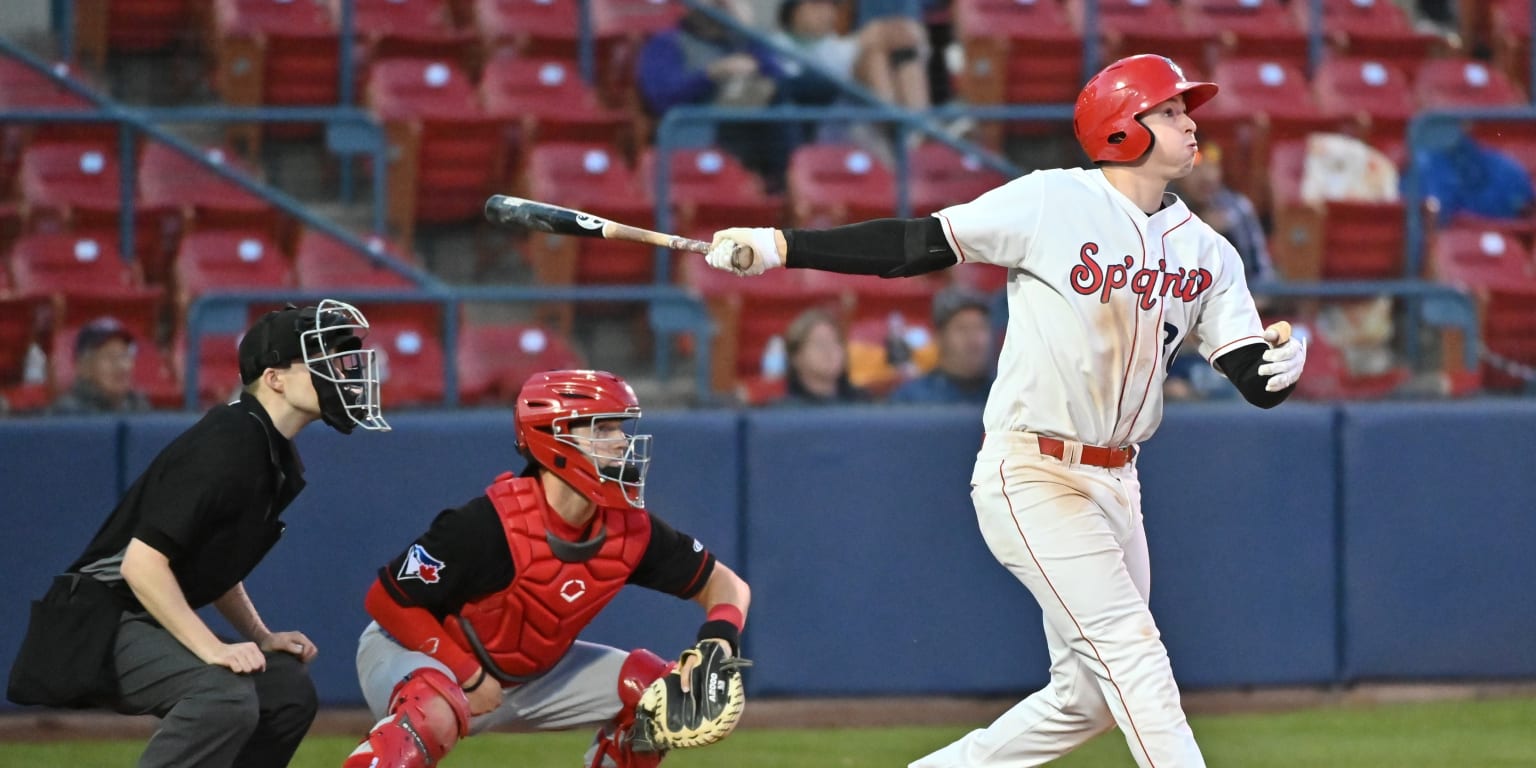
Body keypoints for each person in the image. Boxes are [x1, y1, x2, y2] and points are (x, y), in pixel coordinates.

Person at [702, 54, 1308, 767]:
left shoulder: (1209, 251)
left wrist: (1283, 364)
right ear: (1122, 128)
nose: (1189, 121)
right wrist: (782, 246)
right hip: (1035, 469)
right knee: (1132, 653)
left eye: (1186, 108)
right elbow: (917, 244)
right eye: (1170, 110)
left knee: (1086, 699)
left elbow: (1254, 378)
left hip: (1118, 481)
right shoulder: (1052, 200)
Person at [9, 300, 389, 766]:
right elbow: (142, 564)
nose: (341, 370)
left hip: (141, 611)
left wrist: (259, 634)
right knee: (223, 696)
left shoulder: (270, 451)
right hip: (97, 617)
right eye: (322, 359)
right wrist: (213, 647)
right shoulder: (231, 440)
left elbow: (215, 563)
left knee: (284, 690)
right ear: (274, 378)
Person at [342, 369, 752, 768]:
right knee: (431, 708)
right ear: (552, 439)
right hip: (416, 655)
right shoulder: (486, 524)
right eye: (602, 430)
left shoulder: (630, 529)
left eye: (619, 429)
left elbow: (726, 584)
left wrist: (718, 641)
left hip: (526, 676)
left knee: (656, 695)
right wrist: (466, 673)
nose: (621, 443)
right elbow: (387, 600)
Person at [635, 0, 802, 190]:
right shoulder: (667, 42)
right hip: (694, 129)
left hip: (747, 131)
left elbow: (781, 81)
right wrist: (710, 74)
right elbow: (661, 98)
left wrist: (747, 32)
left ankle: (781, 187)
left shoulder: (744, 43)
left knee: (782, 102)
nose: (719, 4)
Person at [1170, 142, 1277, 285]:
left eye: (1212, 166)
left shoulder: (1238, 209)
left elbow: (1261, 275)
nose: (1206, 176)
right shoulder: (1162, 208)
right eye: (1195, 168)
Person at [888, 284, 994, 404]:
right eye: (962, 329)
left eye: (980, 328)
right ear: (939, 337)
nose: (973, 339)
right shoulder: (911, 399)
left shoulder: (1007, 393)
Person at [51, 315, 153, 415]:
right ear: (84, 367)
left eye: (124, 356)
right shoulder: (68, 413)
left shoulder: (138, 406)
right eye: (109, 357)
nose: (121, 366)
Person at [778, 306, 871, 405]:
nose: (829, 350)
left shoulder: (865, 405)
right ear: (796, 357)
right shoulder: (782, 413)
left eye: (835, 342)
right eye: (819, 343)